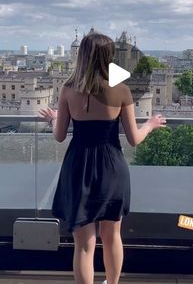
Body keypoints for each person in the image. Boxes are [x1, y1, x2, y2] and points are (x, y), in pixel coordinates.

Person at [39, 32, 166, 284]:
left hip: (79, 165)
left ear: (82, 55)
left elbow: (60, 136)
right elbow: (133, 139)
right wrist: (150, 124)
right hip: (111, 167)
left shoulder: (68, 89)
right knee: (112, 237)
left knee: (84, 245)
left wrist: (54, 119)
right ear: (110, 57)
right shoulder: (121, 91)